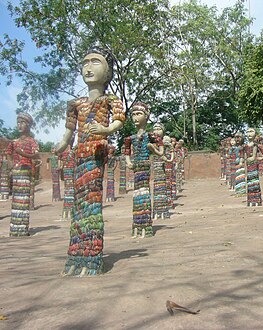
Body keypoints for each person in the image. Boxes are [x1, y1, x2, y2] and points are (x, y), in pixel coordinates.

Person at [56, 46, 125, 276]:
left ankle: (92, 257)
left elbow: (119, 121)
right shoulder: (75, 104)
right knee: (79, 205)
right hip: (80, 154)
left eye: (95, 62)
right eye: (85, 62)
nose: (88, 67)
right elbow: (69, 132)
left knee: (92, 202)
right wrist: (62, 145)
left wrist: (105, 129)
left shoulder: (110, 100)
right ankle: (76, 253)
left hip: (95, 153)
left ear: (107, 73)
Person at [124, 103, 163, 238]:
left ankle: (145, 225)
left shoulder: (151, 136)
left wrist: (153, 149)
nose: (135, 117)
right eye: (133, 114)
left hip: (145, 168)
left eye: (139, 114)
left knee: (144, 194)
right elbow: (127, 153)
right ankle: (137, 225)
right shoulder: (130, 138)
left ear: (146, 116)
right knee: (137, 196)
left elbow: (161, 152)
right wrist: (128, 162)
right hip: (136, 168)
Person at [6, 113, 40, 236]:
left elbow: (36, 155)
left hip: (26, 172)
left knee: (24, 200)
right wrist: (11, 165)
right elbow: (8, 153)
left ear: (29, 125)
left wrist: (24, 154)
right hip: (17, 172)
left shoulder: (32, 141)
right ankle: (15, 228)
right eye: (18, 123)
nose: (19, 125)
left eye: (22, 122)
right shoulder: (14, 142)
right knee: (16, 200)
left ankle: (23, 228)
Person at [244, 128, 262, 207]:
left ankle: (257, 200)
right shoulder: (245, 146)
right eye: (247, 132)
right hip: (249, 166)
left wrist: (258, 158)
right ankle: (250, 200)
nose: (249, 134)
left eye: (251, 131)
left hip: (254, 165)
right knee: (250, 183)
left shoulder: (256, 145)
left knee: (255, 183)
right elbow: (244, 156)